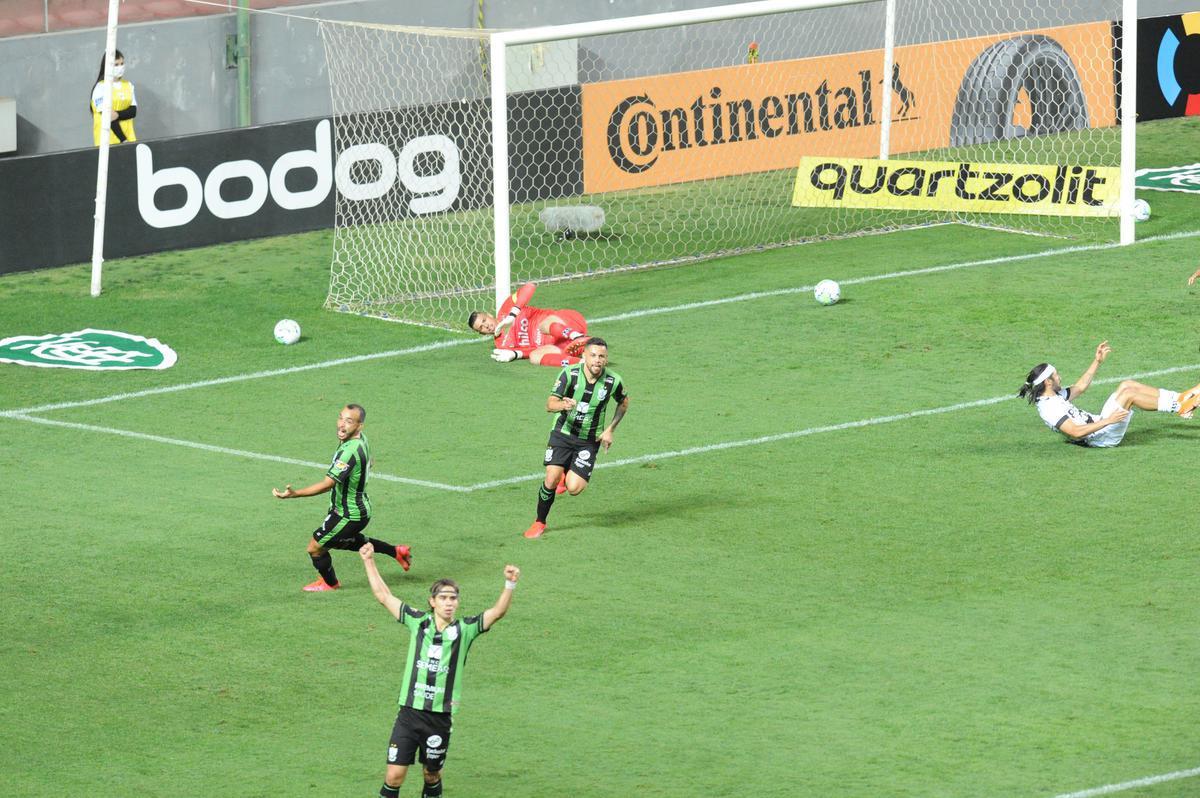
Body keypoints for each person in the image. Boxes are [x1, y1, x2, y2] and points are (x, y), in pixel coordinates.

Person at [359, 543, 520, 798]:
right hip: (410, 713)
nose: (449, 603)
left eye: (453, 598)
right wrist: (369, 561)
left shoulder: (465, 630)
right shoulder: (418, 622)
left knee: (431, 775)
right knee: (394, 775)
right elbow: (384, 596)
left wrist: (509, 584)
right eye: (443, 598)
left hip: (440, 717)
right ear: (432, 601)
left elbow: (497, 612)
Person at [272, 403, 412, 591]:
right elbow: (370, 461)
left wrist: (295, 494)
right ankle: (396, 551)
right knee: (347, 542)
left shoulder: (349, 452)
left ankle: (330, 584)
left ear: (359, 425)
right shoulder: (361, 440)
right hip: (354, 509)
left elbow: (328, 484)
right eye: (340, 418)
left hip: (348, 514)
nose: (341, 425)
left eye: (349, 421)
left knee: (315, 548)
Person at [524, 337, 629, 538]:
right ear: (584, 356)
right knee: (551, 478)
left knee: (573, 488)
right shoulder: (569, 375)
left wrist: (610, 430)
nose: (597, 360)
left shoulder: (613, 381)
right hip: (563, 434)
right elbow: (549, 404)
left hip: (588, 441)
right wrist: (563, 405)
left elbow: (624, 402)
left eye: (602, 357)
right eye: (593, 355)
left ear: (606, 360)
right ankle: (539, 522)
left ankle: (566, 473)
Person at [1017, 340, 1200, 447]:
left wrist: (1097, 361)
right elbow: (1075, 432)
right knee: (1129, 395)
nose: (1060, 376)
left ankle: (1180, 399)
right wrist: (1109, 421)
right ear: (1048, 382)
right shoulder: (1049, 408)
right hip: (1101, 437)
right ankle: (1179, 407)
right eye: (1056, 375)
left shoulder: (1052, 396)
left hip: (1100, 424)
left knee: (1127, 385)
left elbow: (1080, 387)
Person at [468, 281, 590, 367]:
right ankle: (583, 363)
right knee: (534, 357)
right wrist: (516, 354)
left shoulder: (506, 309)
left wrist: (513, 314)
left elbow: (529, 287)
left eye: (484, 320)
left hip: (566, 322)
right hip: (561, 346)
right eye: (481, 328)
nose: (486, 326)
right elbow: (532, 350)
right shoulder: (501, 345)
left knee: (543, 325)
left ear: (489, 315)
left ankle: (577, 337)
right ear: (482, 333)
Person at [90, 49, 137, 147]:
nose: (120, 67)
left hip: (130, 140)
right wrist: (123, 139)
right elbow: (108, 117)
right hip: (107, 143)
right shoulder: (100, 88)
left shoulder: (128, 85)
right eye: (116, 64)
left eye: (122, 63)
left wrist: (117, 114)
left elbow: (133, 111)